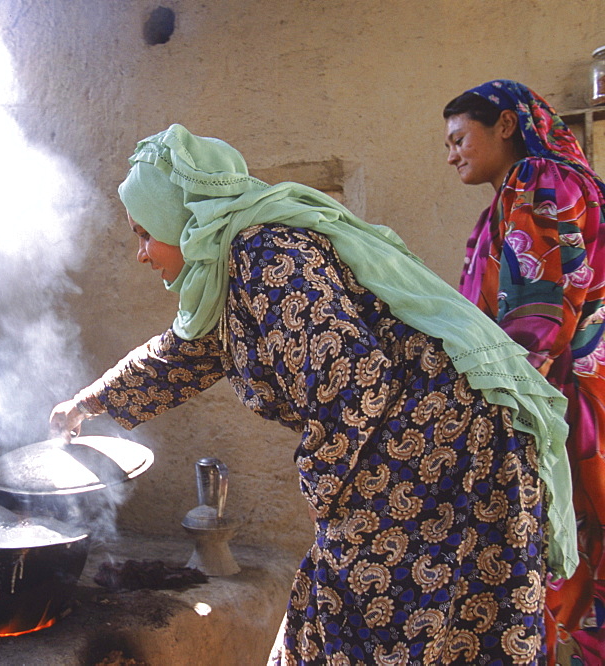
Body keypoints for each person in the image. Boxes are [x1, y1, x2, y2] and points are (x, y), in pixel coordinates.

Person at [49, 124, 575, 664]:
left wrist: (322, 492)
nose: (141, 254)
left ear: (180, 224)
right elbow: (178, 357)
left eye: (144, 233)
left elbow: (353, 383)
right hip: (411, 446)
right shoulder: (229, 270)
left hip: (441, 447)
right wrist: (86, 404)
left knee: (378, 624)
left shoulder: (264, 254)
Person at [444, 79, 605, 664]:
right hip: (570, 391)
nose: (452, 153)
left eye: (461, 137)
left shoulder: (538, 181)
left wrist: (484, 406)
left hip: (564, 399)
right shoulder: (519, 197)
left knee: (570, 539)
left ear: (506, 125)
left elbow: (537, 316)